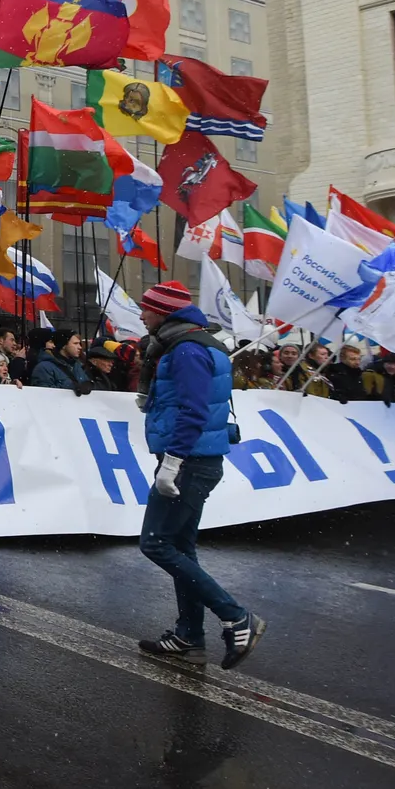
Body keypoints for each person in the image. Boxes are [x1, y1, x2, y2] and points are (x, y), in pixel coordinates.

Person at [132, 280, 264, 670]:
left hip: (189, 461)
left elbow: (193, 411)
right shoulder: (193, 343)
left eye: (146, 308)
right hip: (197, 458)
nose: (141, 315)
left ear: (163, 313)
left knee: (156, 543)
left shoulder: (186, 350)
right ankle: (189, 636)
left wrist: (172, 462)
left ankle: (236, 616)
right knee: (180, 547)